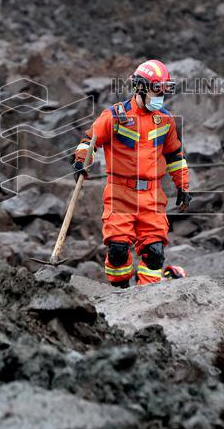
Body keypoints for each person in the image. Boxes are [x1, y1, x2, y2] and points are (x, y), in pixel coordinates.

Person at [72, 59, 191, 287]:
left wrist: (183, 186)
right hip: (120, 193)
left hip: (152, 197)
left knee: (154, 252)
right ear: (141, 87)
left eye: (164, 89)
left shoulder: (165, 121)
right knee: (118, 250)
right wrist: (81, 161)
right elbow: (89, 140)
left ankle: (147, 297)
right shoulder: (115, 116)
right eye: (157, 89)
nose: (161, 95)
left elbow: (175, 156)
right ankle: (120, 293)